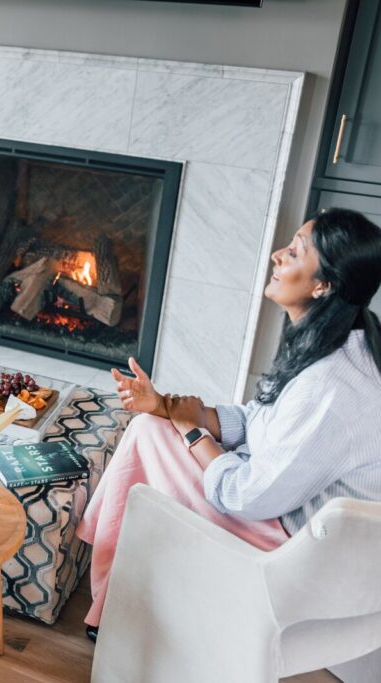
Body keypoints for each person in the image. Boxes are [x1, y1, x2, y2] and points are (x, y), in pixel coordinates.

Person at [77, 208, 381, 641]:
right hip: (284, 510)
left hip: (293, 550)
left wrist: (192, 430)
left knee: (150, 440)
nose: (277, 255)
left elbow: (245, 494)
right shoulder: (336, 341)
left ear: (324, 285)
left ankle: (112, 601)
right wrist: (164, 405)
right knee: (148, 426)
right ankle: (113, 598)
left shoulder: (330, 389)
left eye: (294, 252)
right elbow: (260, 418)